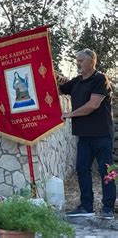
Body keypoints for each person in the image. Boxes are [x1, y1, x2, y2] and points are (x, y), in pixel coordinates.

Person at [60, 49, 115, 219]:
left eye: (81, 60)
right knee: (82, 169)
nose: (78, 63)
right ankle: (86, 206)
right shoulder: (77, 81)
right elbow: (59, 89)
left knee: (105, 171)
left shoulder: (100, 79)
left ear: (92, 61)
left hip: (101, 134)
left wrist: (70, 114)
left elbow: (93, 105)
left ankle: (108, 208)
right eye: (77, 60)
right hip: (83, 136)